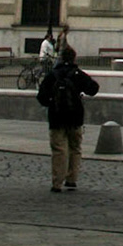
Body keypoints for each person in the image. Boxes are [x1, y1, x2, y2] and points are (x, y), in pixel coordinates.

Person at [37, 45, 100, 191]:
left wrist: (52, 103)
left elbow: (41, 97)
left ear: (60, 58)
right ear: (74, 58)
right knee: (75, 148)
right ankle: (72, 179)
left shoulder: (53, 75)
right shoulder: (78, 74)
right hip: (75, 117)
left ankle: (57, 182)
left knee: (59, 150)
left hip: (56, 117)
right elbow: (94, 89)